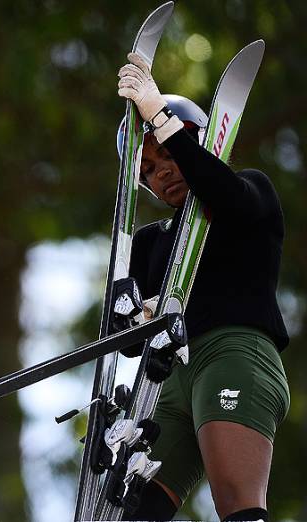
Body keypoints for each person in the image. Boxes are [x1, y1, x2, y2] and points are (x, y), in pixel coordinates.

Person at [116, 53, 290, 521]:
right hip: (170, 381)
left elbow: (225, 197)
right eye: (149, 169)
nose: (162, 172)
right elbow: (127, 341)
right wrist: (130, 309)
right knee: (134, 514)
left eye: (169, 155)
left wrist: (157, 114)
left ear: (199, 143)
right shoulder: (152, 242)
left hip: (234, 351)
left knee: (236, 504)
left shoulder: (250, 189)